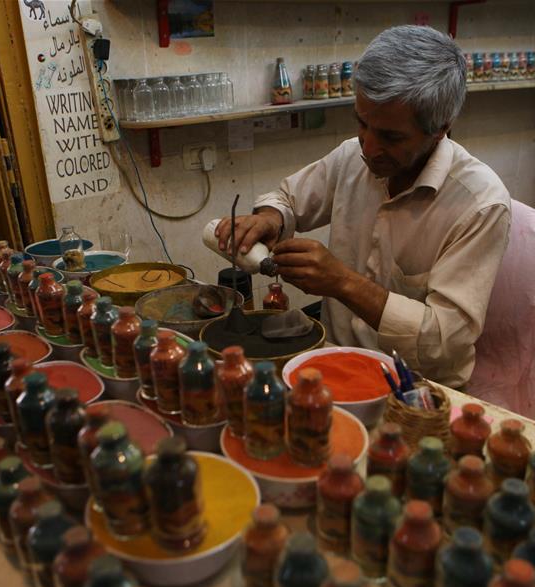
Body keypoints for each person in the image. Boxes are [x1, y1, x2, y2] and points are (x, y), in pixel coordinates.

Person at [214, 26, 511, 388]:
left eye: (391, 136)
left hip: (415, 389)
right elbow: (287, 199)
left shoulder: (480, 205)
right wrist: (270, 219)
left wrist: (342, 283)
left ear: (440, 129)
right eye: (362, 123)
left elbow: (443, 341)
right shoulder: (352, 157)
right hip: (333, 359)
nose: (368, 148)